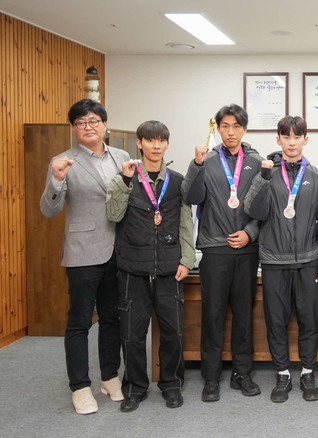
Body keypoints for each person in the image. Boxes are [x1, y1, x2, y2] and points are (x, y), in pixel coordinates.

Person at [40, 99, 128, 414]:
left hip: (119, 251)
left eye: (93, 121)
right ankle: (79, 387)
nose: (88, 127)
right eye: (80, 122)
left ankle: (110, 376)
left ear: (105, 124)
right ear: (73, 128)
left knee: (112, 318)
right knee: (79, 322)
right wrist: (57, 180)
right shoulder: (63, 161)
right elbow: (48, 210)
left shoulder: (122, 157)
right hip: (83, 252)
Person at [244, 116, 318, 403]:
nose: (292, 142)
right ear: (278, 140)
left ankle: (307, 373)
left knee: (309, 320)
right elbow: (253, 211)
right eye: (287, 137)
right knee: (276, 321)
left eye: (297, 137)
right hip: (274, 261)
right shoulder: (266, 173)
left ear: (306, 139)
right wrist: (263, 177)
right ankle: (283, 374)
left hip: (308, 261)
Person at [106, 121, 195, 412]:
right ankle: (134, 388)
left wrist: (187, 259)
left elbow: (185, 222)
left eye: (161, 141)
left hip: (169, 269)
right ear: (140, 143)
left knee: (173, 333)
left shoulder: (178, 181)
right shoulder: (126, 177)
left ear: (167, 144)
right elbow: (113, 215)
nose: (156, 146)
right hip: (133, 269)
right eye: (150, 140)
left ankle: (171, 385)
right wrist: (124, 182)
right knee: (132, 335)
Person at [183, 104, 263, 402]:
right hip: (214, 249)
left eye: (236, 126)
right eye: (225, 126)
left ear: (245, 129)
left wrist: (249, 233)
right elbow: (191, 197)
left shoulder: (256, 162)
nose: (230, 132)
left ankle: (242, 373)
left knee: (244, 314)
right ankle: (211, 376)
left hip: (246, 249)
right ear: (218, 129)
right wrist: (196, 164)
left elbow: (264, 207)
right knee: (213, 314)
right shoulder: (206, 159)